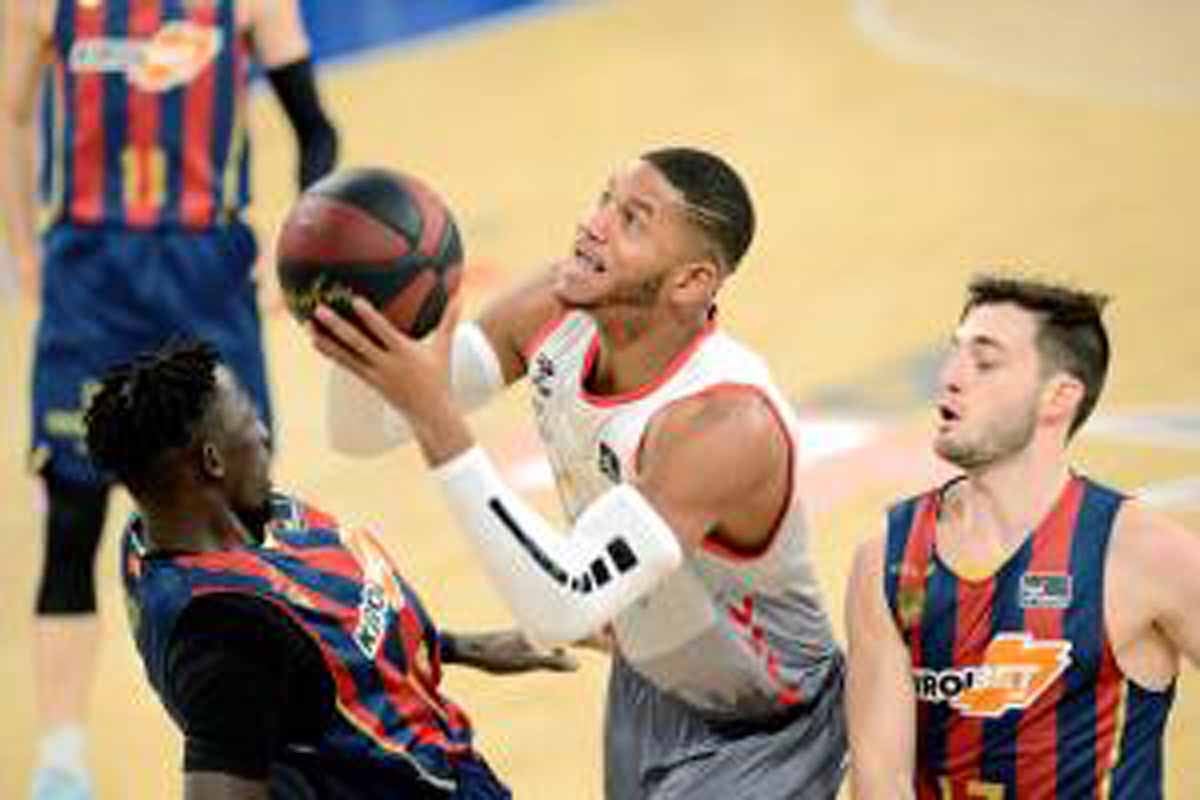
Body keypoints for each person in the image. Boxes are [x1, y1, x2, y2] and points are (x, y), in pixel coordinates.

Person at [313, 147, 848, 799]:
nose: (593, 223)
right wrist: (355, 318)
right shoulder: (559, 307)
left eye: (633, 219)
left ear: (690, 282)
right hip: (647, 684)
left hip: (766, 724)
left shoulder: (721, 424)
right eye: (604, 198)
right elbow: (364, 431)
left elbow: (563, 605)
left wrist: (436, 419)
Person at [1, 0, 338, 796]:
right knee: (74, 521)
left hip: (206, 272)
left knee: (245, 517)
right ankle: (62, 761)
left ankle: (277, 745)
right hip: (90, 273)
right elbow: (10, 119)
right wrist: (23, 253)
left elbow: (315, 129)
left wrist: (298, 242)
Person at [82, 338, 575, 799]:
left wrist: (454, 646)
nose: (263, 430)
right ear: (211, 460)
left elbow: (320, 652)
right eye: (248, 417)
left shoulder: (179, 524)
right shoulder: (226, 639)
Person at [844, 275, 1200, 799]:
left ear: (1058, 398)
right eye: (954, 355)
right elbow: (881, 781)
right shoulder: (889, 558)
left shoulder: (1144, 554)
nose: (950, 378)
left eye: (984, 363)